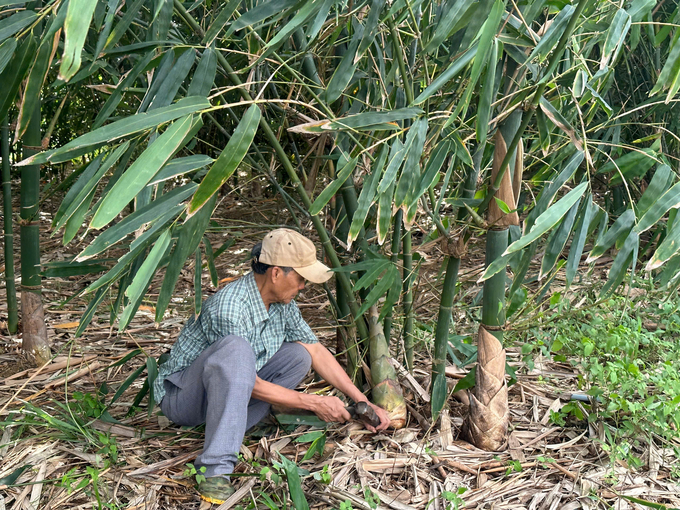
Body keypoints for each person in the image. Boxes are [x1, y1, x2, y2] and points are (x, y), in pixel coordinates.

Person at [153, 228, 391, 504]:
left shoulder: (283, 303)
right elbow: (244, 378)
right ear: (276, 273)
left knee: (299, 355)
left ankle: (239, 424)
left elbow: (315, 350)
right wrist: (312, 402)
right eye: (301, 279)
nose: (303, 286)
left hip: (223, 391)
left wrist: (362, 400)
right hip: (184, 399)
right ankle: (214, 470)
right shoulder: (230, 307)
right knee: (236, 350)